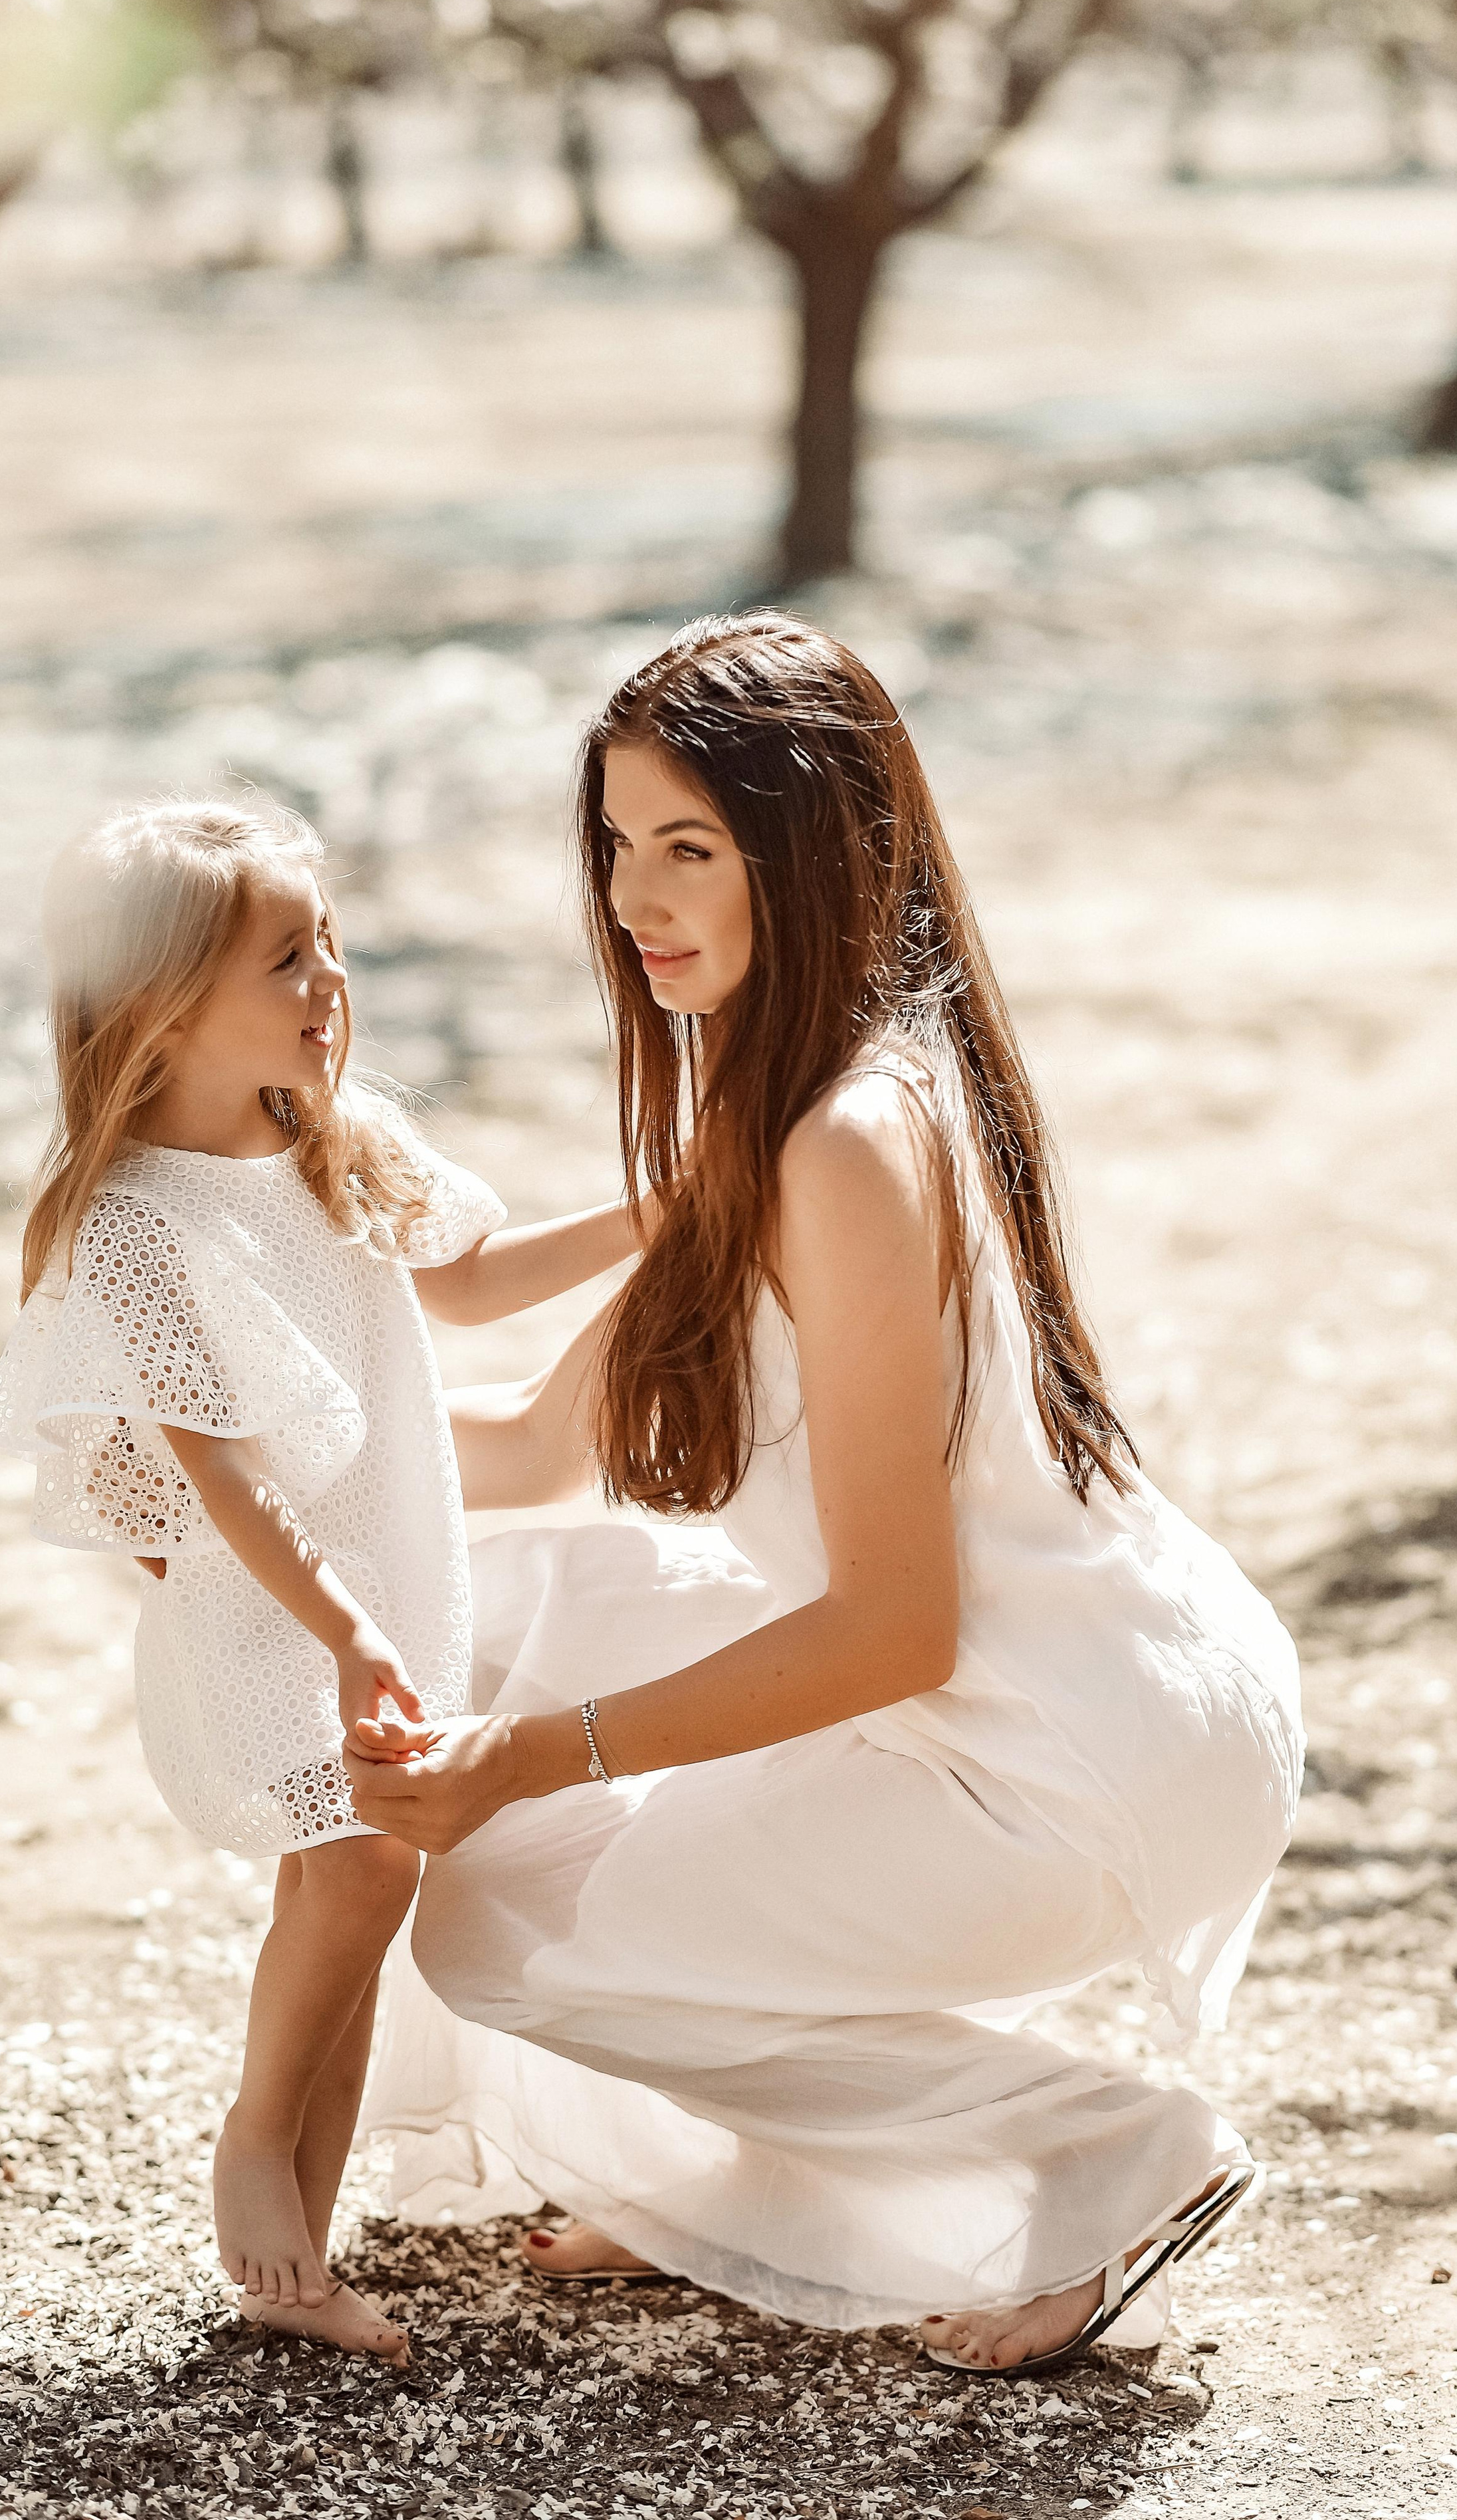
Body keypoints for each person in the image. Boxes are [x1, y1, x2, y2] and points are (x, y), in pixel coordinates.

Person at [350, 612, 1305, 2377]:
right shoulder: (785, 1095)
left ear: (813, 855)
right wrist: (249, 1458)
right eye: (617, 843)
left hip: (1062, 1756)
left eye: (690, 849)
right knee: (502, 1631)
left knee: (506, 1930)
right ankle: (756, 2183)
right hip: (1098, 1673)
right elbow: (536, 1442)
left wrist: (536, 1758)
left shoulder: (849, 1140)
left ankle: (1113, 2153)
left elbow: (891, 1629)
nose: (634, 898)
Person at [0, 798, 643, 2366]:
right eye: (287, 957)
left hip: (393, 1579)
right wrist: (345, 1635)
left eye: (328, 942)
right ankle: (253, 2136)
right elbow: (225, 1481)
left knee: (355, 1894)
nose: (329, 979)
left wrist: (660, 1211)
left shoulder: (327, 1136)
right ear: (160, 1006)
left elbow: (464, 1281)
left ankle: (299, 2259)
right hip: (271, 1606)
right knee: (360, 1871)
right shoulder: (135, 1224)